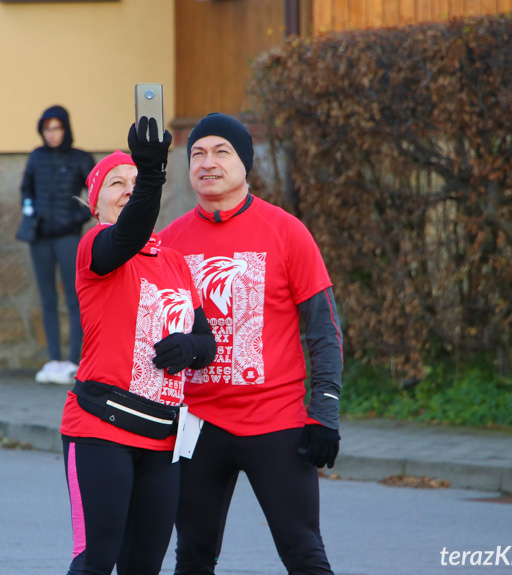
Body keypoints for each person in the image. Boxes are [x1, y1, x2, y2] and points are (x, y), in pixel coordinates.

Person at [158, 113, 344, 575]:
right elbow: (151, 333)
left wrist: (324, 413)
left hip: (276, 423)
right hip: (197, 426)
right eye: (197, 153)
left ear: (245, 162)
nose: (207, 162)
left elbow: (323, 330)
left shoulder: (287, 232)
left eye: (221, 151)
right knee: (193, 557)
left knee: (303, 554)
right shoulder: (169, 242)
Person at [59, 118, 216, 575]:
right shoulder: (96, 248)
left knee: (143, 566)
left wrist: (189, 347)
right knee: (96, 561)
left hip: (162, 437)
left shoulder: (175, 262)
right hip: (99, 430)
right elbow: (128, 234)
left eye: (135, 180)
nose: (127, 188)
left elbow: (206, 342)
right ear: (96, 204)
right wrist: (151, 176)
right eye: (116, 183)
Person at [19, 105, 95, 385]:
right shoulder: (37, 157)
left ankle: (74, 360)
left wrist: (77, 218)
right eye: (47, 129)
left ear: (65, 129)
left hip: (68, 237)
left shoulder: (80, 158)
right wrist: (29, 209)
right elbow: (26, 187)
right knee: (47, 297)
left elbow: (96, 191)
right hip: (40, 236)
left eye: (56, 128)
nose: (51, 135)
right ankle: (53, 358)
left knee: (75, 298)